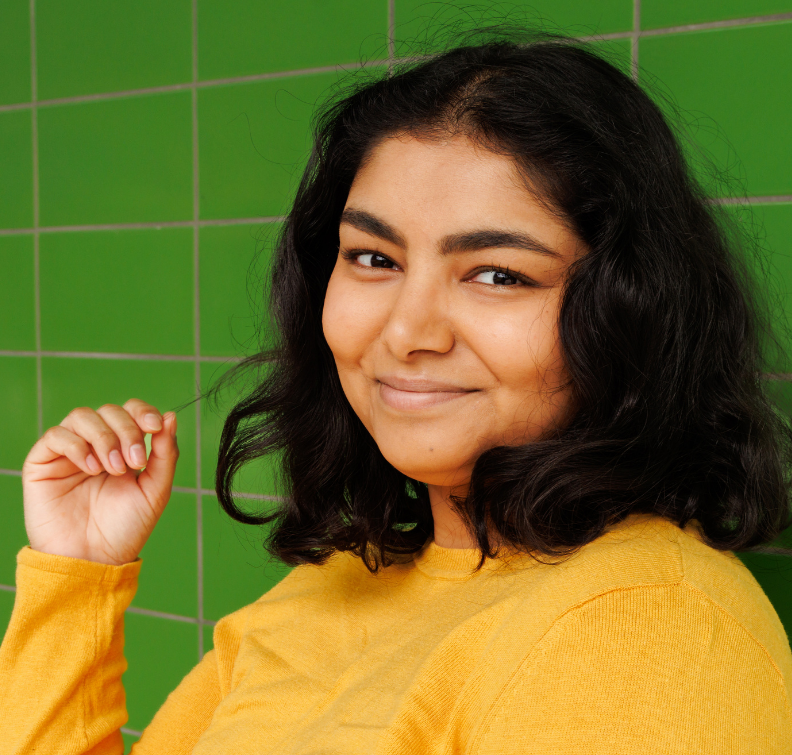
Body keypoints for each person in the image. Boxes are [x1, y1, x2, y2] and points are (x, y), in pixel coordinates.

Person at [1, 29, 791, 753]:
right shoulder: (336, 585)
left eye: (497, 274)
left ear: (628, 311)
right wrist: (74, 579)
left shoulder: (647, 627)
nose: (409, 331)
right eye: (374, 258)